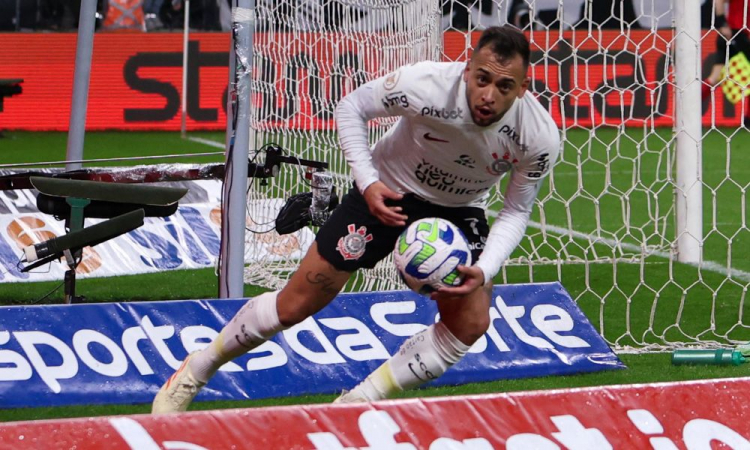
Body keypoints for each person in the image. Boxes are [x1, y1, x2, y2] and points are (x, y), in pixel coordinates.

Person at [151, 25, 560, 413]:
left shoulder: (537, 136)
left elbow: (516, 210)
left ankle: (358, 402)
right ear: (467, 70)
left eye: (505, 86)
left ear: (523, 88)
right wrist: (367, 183)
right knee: (294, 305)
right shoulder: (426, 84)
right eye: (482, 78)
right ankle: (194, 372)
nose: (489, 94)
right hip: (386, 191)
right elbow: (352, 107)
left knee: (470, 324)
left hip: (458, 211)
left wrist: (486, 269)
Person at [702, 0, 750, 123]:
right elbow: (718, 1)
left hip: (735, 35)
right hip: (737, 34)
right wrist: (722, 23)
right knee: (715, 77)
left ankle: (688, 105)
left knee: (715, 77)